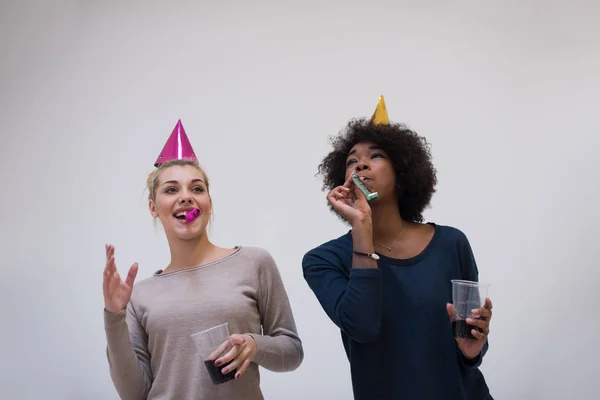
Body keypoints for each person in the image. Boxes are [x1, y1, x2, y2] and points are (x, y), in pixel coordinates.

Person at [302, 97, 493, 400]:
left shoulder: (452, 243)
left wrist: (473, 350)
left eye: (375, 156)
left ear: (403, 172)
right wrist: (361, 227)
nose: (360, 163)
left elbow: (470, 341)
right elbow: (362, 328)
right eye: (351, 161)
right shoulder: (323, 261)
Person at [103, 120, 303, 400]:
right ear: (153, 208)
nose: (186, 197)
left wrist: (253, 345)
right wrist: (114, 316)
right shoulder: (139, 295)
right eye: (171, 190)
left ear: (209, 202)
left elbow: (292, 351)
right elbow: (135, 393)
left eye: (196, 189)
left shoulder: (254, 263)